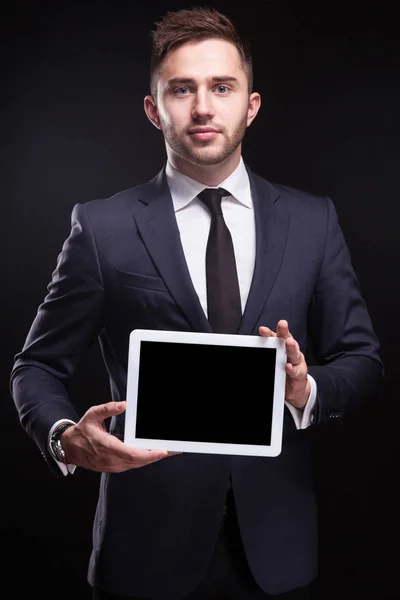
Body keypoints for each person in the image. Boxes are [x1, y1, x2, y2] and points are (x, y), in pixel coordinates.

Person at [10, 6, 383, 600]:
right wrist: (62, 436)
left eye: (221, 87)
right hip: (144, 551)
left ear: (251, 106)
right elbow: (36, 366)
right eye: (182, 89)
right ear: (154, 109)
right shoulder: (102, 229)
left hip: (279, 551)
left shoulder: (314, 221)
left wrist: (305, 391)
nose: (203, 107)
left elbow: (363, 359)